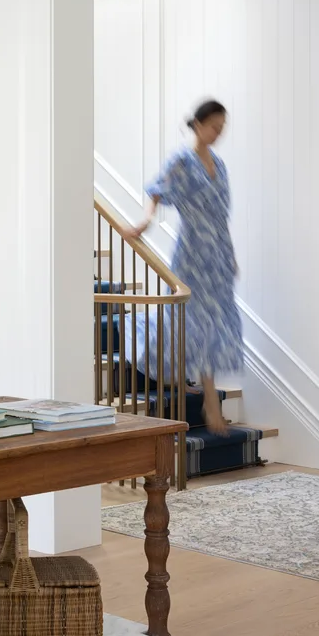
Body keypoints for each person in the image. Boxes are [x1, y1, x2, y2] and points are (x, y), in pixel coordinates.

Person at [128, 99, 243, 434]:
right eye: (215, 127)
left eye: (223, 128)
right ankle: (208, 398)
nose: (218, 133)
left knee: (217, 325)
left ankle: (204, 392)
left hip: (218, 256)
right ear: (199, 123)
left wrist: (231, 253)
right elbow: (157, 190)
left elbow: (222, 215)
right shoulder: (182, 160)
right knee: (194, 323)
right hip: (192, 254)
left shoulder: (219, 165)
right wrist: (145, 221)